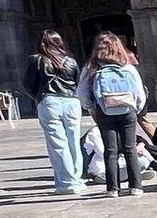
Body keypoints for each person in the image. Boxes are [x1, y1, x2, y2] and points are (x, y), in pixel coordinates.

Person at [78, 31, 148, 197]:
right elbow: (139, 92)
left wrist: (92, 107)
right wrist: (136, 108)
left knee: (110, 150)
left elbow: (81, 92)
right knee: (130, 148)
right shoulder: (127, 67)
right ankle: (136, 186)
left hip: (104, 111)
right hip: (127, 110)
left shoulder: (91, 67)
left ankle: (113, 188)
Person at [23, 30, 84, 195]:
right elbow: (78, 81)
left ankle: (67, 183)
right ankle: (77, 179)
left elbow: (28, 84)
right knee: (73, 142)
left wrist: (39, 98)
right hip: (72, 101)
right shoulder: (70, 61)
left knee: (58, 144)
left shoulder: (36, 60)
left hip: (50, 102)